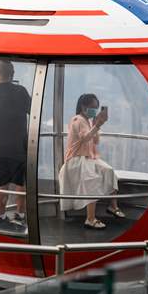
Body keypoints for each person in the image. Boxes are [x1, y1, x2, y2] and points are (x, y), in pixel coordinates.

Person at [58, 93, 125, 229]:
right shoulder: (77, 120)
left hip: (88, 158)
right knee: (92, 181)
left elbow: (96, 141)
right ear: (83, 106)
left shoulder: (87, 121)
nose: (94, 110)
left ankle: (113, 206)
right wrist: (98, 125)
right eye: (92, 107)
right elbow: (84, 138)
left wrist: (95, 125)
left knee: (109, 171)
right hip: (76, 160)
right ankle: (90, 218)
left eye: (96, 107)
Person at [0, 60, 31, 223]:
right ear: (12, 74)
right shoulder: (20, 91)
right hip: (19, 144)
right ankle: (20, 214)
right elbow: (32, 109)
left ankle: (1, 215)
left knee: (1, 182)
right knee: (20, 181)